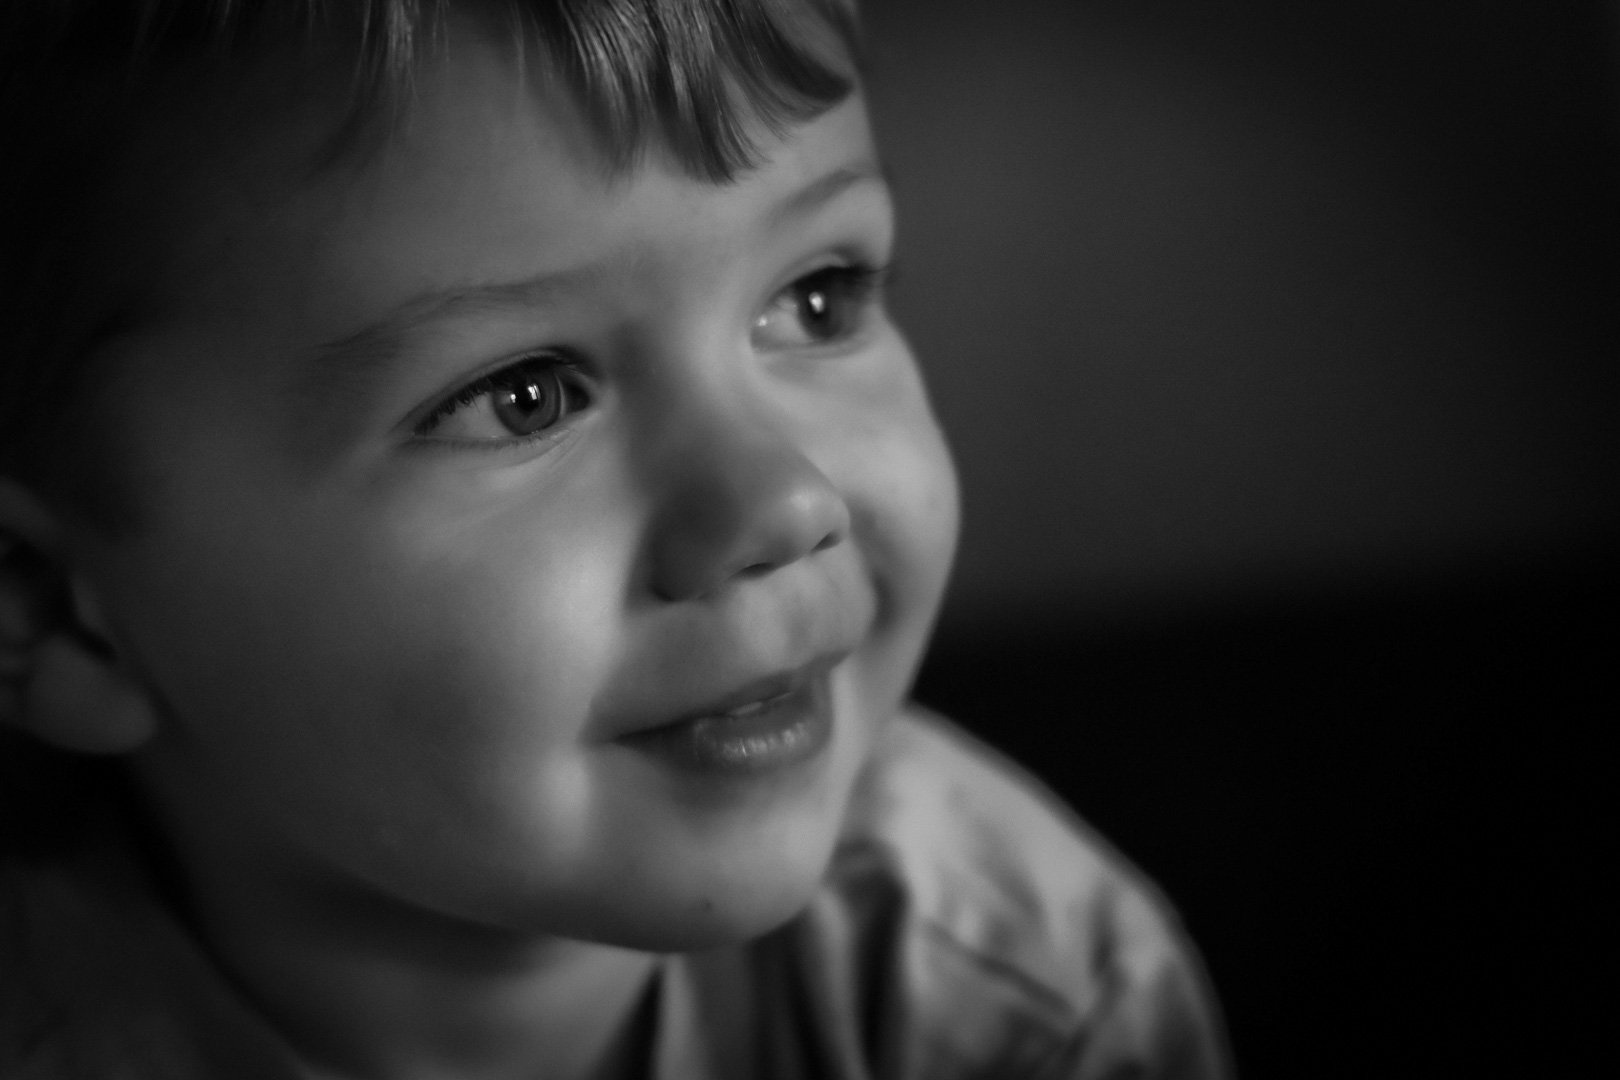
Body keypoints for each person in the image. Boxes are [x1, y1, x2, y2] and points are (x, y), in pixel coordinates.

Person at [0, 1, 1229, 1076]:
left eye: (817, 298)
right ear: (53, 608)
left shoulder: (1031, 1003)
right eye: (523, 394)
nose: (785, 505)